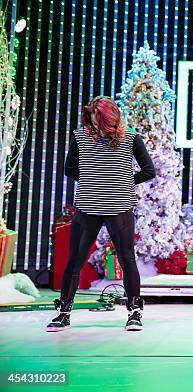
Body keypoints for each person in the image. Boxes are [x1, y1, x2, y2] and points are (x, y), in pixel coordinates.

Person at [47, 96, 155, 332]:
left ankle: (134, 311)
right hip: (88, 207)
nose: (100, 126)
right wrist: (93, 182)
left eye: (104, 121)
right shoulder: (80, 137)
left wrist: (122, 182)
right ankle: (63, 312)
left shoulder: (131, 138)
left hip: (119, 207)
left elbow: (148, 170)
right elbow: (69, 168)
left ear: (113, 118)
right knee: (74, 260)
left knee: (127, 259)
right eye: (96, 121)